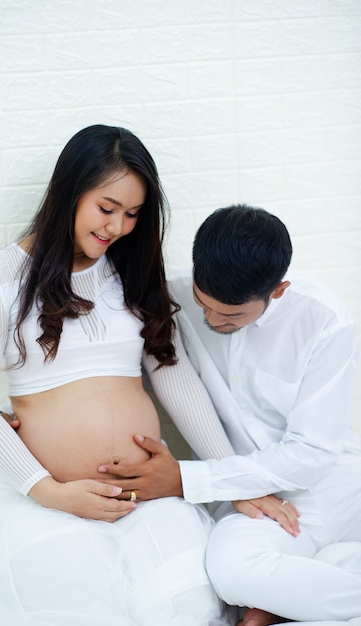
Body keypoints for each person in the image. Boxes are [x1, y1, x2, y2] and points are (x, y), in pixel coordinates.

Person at [0, 129, 294, 626]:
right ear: (69, 191)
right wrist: (49, 490)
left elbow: (175, 378)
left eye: (132, 214)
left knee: (189, 601)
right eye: (107, 208)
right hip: (48, 499)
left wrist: (233, 477)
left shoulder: (131, 272)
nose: (119, 226)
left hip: (145, 498)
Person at [98, 205, 361, 625]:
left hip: (339, 489)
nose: (212, 320)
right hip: (254, 505)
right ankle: (286, 600)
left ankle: (281, 602)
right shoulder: (174, 296)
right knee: (230, 569)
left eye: (232, 315)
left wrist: (188, 479)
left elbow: (312, 454)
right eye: (204, 305)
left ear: (277, 291)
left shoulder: (326, 321)